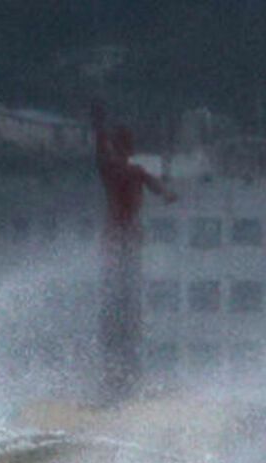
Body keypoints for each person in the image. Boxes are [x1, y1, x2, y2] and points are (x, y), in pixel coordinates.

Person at [91, 101, 177, 404]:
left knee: (122, 310)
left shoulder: (120, 170)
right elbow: (159, 188)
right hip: (121, 241)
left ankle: (121, 380)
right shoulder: (121, 171)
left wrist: (99, 128)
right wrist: (100, 129)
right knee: (121, 310)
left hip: (122, 241)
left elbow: (158, 187)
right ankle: (116, 380)